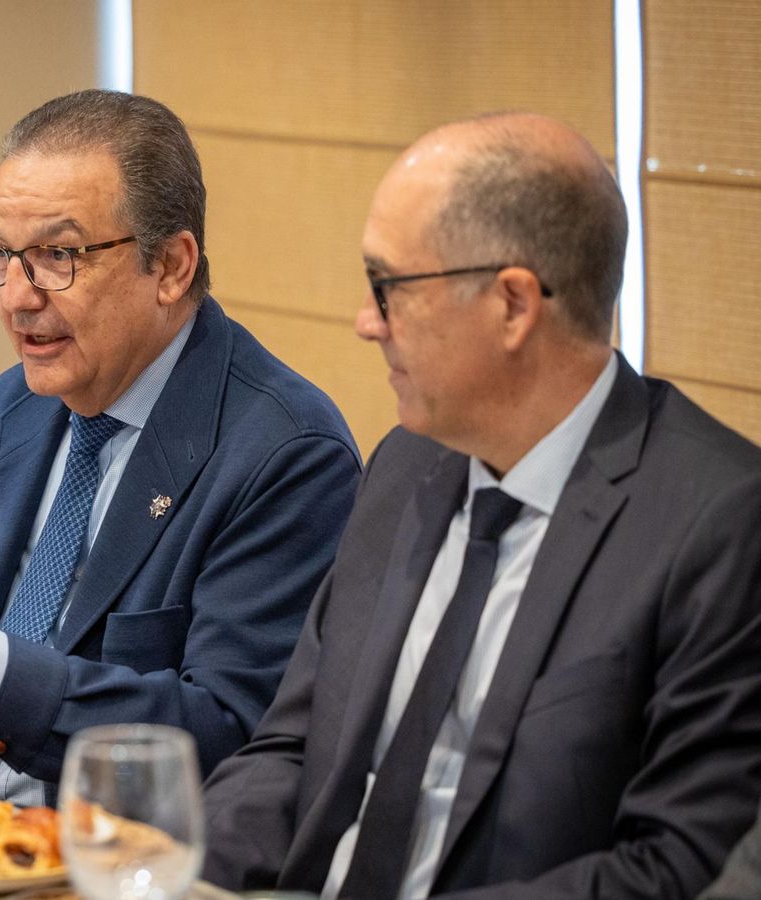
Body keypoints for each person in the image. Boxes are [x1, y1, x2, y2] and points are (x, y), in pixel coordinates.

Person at [200, 112, 761, 899]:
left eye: (388, 288)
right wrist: (178, 879)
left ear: (512, 305)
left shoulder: (718, 523)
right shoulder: (405, 463)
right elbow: (291, 749)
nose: (366, 323)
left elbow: (675, 866)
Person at [0, 90, 360, 803]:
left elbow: (230, 733)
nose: (15, 296)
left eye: (58, 256)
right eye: (3, 253)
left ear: (171, 266)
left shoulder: (285, 454)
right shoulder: (7, 410)